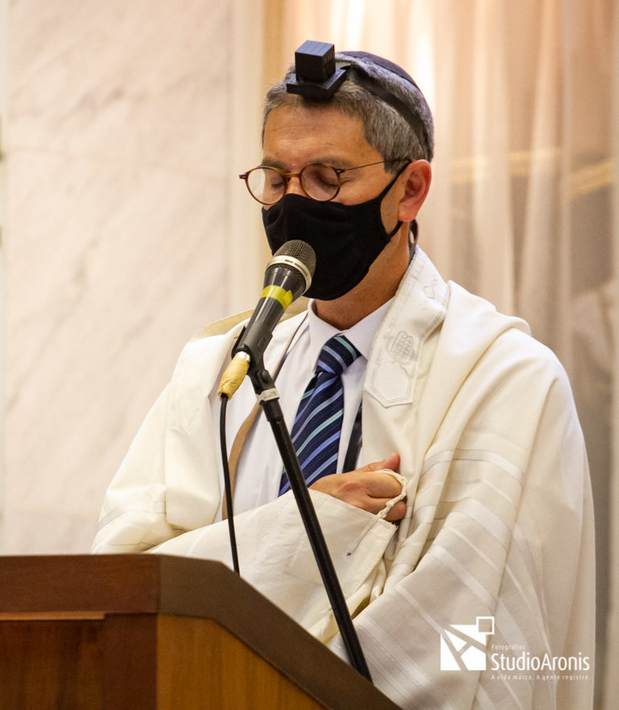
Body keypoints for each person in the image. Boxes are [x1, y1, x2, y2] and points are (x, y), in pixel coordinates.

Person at [93, 44, 594, 708]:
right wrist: (314, 524)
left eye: (328, 178)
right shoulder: (218, 371)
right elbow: (128, 585)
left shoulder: (504, 380)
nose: (295, 204)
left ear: (409, 190)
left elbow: (472, 636)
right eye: (276, 178)